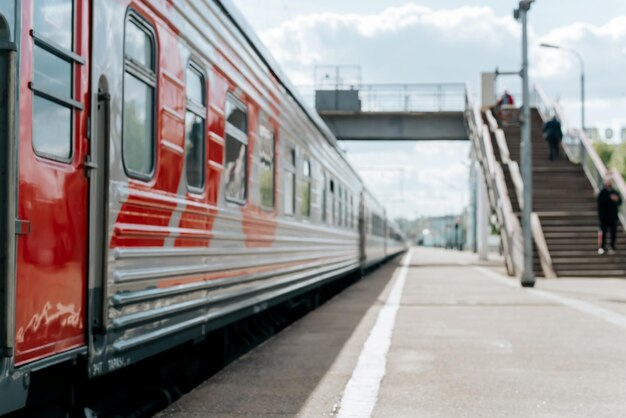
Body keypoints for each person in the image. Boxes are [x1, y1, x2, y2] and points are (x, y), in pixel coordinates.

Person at [597, 177, 622, 255]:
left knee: (613, 232)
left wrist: (617, 199)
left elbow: (619, 201)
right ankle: (602, 247)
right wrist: (609, 198)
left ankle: (612, 247)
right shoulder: (602, 192)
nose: (609, 183)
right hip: (604, 217)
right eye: (608, 182)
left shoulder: (615, 192)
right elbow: (600, 201)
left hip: (613, 217)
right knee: (603, 232)